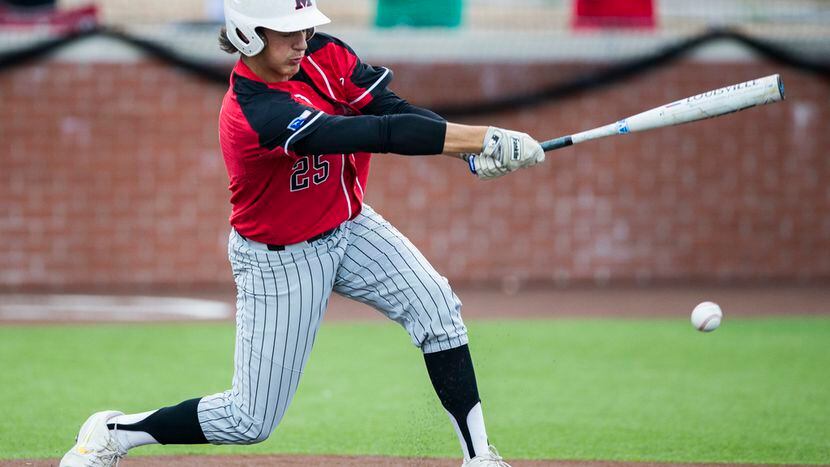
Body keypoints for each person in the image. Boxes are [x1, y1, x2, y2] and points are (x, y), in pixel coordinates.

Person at [59, 1, 545, 466]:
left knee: (438, 309)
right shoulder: (253, 113)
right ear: (250, 34)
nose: (301, 40)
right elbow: (376, 132)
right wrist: (481, 137)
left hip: (349, 227)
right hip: (280, 259)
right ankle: (114, 431)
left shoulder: (323, 53)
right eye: (287, 31)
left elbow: (390, 107)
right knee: (249, 420)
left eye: (304, 27)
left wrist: (468, 151)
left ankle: (480, 456)